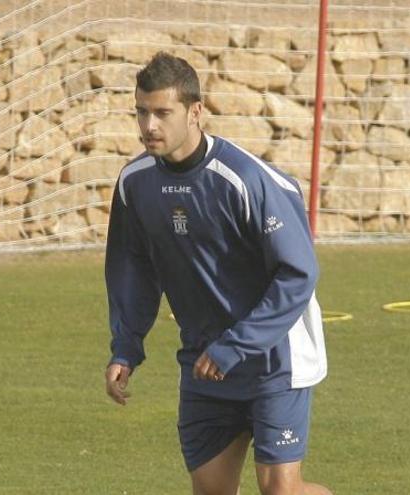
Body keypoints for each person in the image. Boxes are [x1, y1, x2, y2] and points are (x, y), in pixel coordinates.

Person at [104, 51, 331, 495]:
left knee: (281, 490)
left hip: (274, 359)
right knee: (211, 490)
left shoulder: (247, 179)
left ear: (195, 112)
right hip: (204, 361)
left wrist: (237, 345)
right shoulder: (135, 183)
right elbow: (131, 267)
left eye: (162, 113)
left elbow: (298, 274)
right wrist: (125, 347)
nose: (149, 125)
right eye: (141, 112)